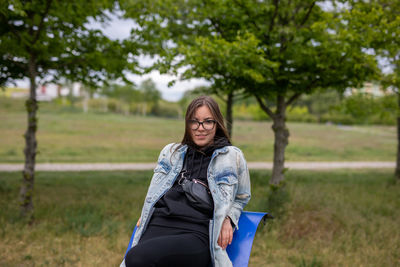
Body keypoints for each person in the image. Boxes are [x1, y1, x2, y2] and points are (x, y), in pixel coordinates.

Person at [121, 96, 251, 267]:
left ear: (217, 124)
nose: (200, 128)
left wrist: (229, 218)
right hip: (160, 223)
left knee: (137, 258)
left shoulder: (231, 156)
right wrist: (146, 214)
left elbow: (242, 196)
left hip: (196, 231)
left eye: (207, 122)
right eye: (194, 122)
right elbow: (155, 192)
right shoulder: (171, 152)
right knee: (138, 258)